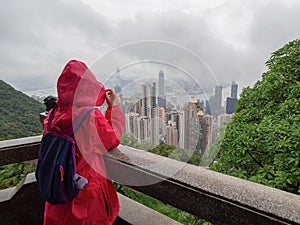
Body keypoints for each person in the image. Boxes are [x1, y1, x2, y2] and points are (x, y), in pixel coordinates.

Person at [42, 60, 124, 225]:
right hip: (84, 194)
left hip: (57, 190)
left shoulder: (52, 115)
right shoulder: (90, 117)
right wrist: (113, 108)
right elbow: (112, 139)